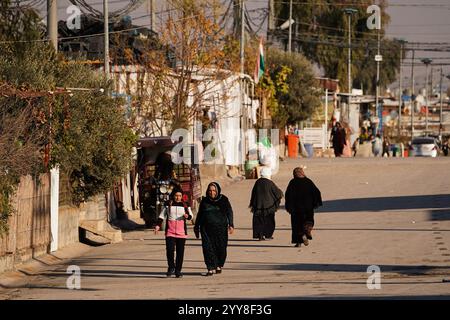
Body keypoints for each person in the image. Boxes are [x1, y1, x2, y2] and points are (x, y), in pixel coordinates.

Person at [194, 182, 234, 276]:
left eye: (214, 191)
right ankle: (210, 267)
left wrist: (231, 224)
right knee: (208, 248)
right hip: (206, 229)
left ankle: (219, 265)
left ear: (217, 191)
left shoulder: (223, 199)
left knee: (221, 248)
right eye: (210, 191)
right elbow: (200, 214)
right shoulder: (204, 201)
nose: (212, 193)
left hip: (221, 229)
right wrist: (196, 227)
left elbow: (229, 212)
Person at [155, 187, 193, 278]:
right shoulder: (168, 204)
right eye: (176, 195)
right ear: (173, 196)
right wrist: (157, 225)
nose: (178, 197)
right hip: (170, 232)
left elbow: (191, 216)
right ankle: (171, 267)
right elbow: (161, 216)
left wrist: (187, 216)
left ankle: (178, 270)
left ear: (182, 196)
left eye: (179, 195)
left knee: (180, 252)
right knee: (170, 250)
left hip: (181, 232)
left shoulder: (185, 205)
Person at [285, 166, 322, 247]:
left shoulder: (292, 182)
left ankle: (298, 242)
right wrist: (315, 203)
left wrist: (289, 207)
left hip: (296, 210)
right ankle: (306, 231)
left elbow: (288, 196)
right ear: (302, 173)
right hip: (308, 208)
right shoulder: (308, 181)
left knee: (296, 225)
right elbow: (316, 192)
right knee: (308, 221)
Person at [249, 167, 283, 241]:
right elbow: (277, 193)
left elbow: (253, 193)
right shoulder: (270, 183)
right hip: (269, 206)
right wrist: (280, 193)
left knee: (259, 221)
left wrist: (253, 203)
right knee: (269, 221)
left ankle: (260, 236)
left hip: (258, 205)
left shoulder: (257, 182)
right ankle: (268, 234)